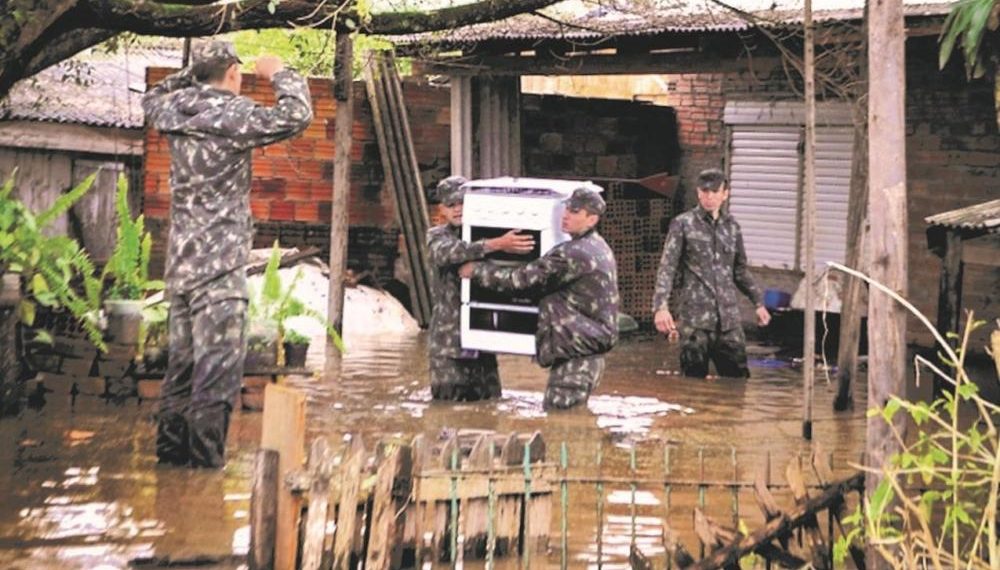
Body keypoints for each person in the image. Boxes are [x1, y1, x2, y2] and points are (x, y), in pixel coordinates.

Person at [142, 41, 313, 468]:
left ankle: (170, 471)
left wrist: (191, 73)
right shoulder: (234, 114)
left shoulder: (175, 109)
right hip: (220, 273)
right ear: (234, 74)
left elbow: (151, 98)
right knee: (216, 379)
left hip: (181, 270)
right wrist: (279, 71)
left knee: (180, 374)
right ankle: (202, 478)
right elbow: (297, 115)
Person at [459, 186, 619, 410]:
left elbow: (522, 280)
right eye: (566, 209)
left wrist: (476, 271)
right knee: (571, 424)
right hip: (586, 351)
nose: (565, 215)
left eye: (574, 211)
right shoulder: (598, 246)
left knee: (560, 426)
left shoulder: (573, 253)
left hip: (577, 357)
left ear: (591, 219)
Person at [652, 168, 771, 379]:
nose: (710, 197)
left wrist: (758, 302)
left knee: (737, 381)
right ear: (698, 193)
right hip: (696, 321)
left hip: (728, 321)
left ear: (725, 194)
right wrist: (661, 307)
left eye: (715, 192)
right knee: (692, 383)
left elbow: (740, 270)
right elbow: (667, 267)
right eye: (705, 192)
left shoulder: (732, 227)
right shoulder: (683, 224)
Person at [426, 176, 535, 401]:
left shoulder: (485, 232)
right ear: (442, 210)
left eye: (462, 203)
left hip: (482, 340)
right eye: (451, 205)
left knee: (490, 407)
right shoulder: (438, 236)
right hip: (449, 345)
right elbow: (448, 253)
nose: (457, 209)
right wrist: (497, 244)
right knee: (447, 412)